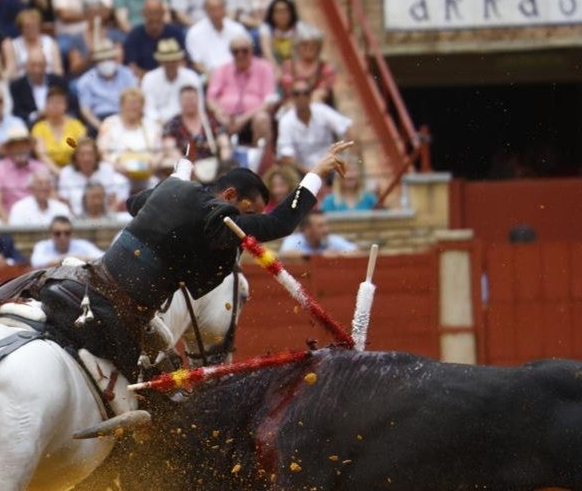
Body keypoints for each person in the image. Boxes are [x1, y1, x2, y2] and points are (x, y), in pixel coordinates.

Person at [34, 140, 354, 387]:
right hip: (122, 315)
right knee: (155, 403)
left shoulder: (174, 191)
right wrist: (315, 174)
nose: (245, 226)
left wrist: (173, 181)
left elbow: (134, 204)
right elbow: (282, 223)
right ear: (229, 195)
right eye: (247, 213)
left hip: (88, 284)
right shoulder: (220, 217)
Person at [207, 31, 276, 150]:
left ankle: (260, 163)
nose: (240, 55)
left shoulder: (264, 68)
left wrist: (243, 119)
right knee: (212, 119)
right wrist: (220, 112)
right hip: (226, 118)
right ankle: (223, 162)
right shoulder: (222, 69)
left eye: (244, 50)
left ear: (251, 50)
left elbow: (269, 101)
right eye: (236, 51)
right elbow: (210, 98)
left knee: (262, 118)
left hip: (252, 117)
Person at [275, 81, 352, 174]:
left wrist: (350, 158)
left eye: (305, 93)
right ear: (292, 97)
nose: (301, 97)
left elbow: (346, 128)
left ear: (310, 95)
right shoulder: (286, 121)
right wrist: (313, 173)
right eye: (297, 94)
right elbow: (286, 157)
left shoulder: (321, 110)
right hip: (303, 172)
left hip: (331, 166)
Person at [97, 86, 163, 190]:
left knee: (155, 185)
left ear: (142, 106)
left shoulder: (152, 125)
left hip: (146, 172)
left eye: (137, 103)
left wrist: (153, 165)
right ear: (121, 105)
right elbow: (102, 152)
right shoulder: (109, 123)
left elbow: (159, 151)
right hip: (117, 172)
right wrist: (115, 166)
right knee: (119, 183)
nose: (133, 107)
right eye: (129, 103)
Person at [161, 84, 229, 181]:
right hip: (184, 171)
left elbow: (224, 142)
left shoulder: (210, 119)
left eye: (192, 98)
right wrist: (186, 167)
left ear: (198, 100)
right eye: (186, 99)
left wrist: (224, 164)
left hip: (212, 168)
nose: (189, 102)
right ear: (180, 101)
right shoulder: (173, 124)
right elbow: (170, 148)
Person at [0, 126, 46, 222]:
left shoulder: (40, 167)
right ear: (8, 148)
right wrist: (12, 225)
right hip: (8, 219)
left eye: (24, 145)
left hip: (38, 218)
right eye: (15, 145)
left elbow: (49, 195)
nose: (20, 149)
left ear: (29, 147)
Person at [58, 137, 128, 214]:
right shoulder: (66, 173)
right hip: (75, 220)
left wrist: (109, 219)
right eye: (82, 154)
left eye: (90, 154)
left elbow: (112, 200)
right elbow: (64, 203)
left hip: (104, 219)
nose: (86, 158)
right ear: (75, 157)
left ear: (96, 156)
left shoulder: (106, 169)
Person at [76, 43, 137, 129]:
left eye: (109, 59)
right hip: (99, 119)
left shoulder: (127, 74)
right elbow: (85, 110)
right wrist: (101, 127)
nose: (106, 62)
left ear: (114, 59)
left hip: (124, 116)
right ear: (97, 61)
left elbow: (135, 99)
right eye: (102, 60)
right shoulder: (86, 80)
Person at [140, 38, 200, 123]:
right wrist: (158, 120)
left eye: (173, 60)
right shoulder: (149, 78)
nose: (171, 64)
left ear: (179, 60)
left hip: (186, 123)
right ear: (160, 62)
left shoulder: (191, 77)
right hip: (158, 122)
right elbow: (148, 108)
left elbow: (199, 105)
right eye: (167, 61)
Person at [9, 48, 72, 127]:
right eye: (33, 65)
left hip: (59, 123)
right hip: (29, 127)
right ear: (26, 66)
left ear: (46, 66)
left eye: (40, 65)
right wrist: (36, 115)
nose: (37, 70)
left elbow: (70, 106)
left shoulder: (59, 82)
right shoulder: (16, 86)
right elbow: (16, 113)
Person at [122, 0, 185, 76]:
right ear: (143, 13)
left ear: (163, 13)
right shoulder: (134, 36)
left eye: (157, 12)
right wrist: (152, 79)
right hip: (143, 81)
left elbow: (183, 62)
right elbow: (132, 66)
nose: (154, 16)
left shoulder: (175, 32)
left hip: (173, 78)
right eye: (150, 12)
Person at [31, 85, 86, 174]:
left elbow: (82, 149)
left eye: (59, 102)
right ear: (46, 105)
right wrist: (60, 173)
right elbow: (42, 156)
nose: (55, 106)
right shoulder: (38, 128)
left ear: (65, 105)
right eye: (52, 102)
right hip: (49, 171)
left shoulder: (76, 125)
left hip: (75, 169)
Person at [183, 0, 243, 75]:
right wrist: (214, 75)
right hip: (209, 75)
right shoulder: (194, 33)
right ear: (205, 10)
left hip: (236, 73)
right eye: (212, 9)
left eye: (219, 8)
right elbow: (197, 63)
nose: (216, 13)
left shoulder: (237, 29)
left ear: (225, 9)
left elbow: (245, 57)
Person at [279, 23, 335, 104]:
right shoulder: (288, 66)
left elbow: (322, 92)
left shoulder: (325, 68)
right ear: (297, 46)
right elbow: (287, 89)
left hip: (317, 105)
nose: (309, 48)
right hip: (291, 105)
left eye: (313, 45)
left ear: (318, 47)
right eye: (305, 44)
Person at [1, 8, 61, 78]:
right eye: (27, 26)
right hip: (23, 84)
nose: (31, 29)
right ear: (21, 28)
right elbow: (11, 70)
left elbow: (58, 70)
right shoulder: (13, 45)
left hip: (49, 81)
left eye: (34, 25)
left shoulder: (50, 42)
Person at [30, 215, 103, 266]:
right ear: (50, 234)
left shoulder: (83, 245)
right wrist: (68, 259)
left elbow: (102, 257)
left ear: (72, 233)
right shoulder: (42, 245)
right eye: (57, 233)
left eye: (67, 233)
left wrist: (85, 258)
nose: (62, 237)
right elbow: (36, 261)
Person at [280, 210, 357, 256]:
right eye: (320, 226)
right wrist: (319, 256)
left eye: (326, 224)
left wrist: (338, 254)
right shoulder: (295, 240)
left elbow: (356, 251)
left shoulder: (331, 239)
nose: (326, 229)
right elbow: (285, 254)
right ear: (307, 229)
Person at [257, 0, 296, 78]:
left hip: (294, 68)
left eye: (285, 11)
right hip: (274, 68)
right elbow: (267, 53)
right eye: (277, 11)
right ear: (272, 14)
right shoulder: (266, 29)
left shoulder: (298, 29)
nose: (281, 15)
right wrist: (277, 70)